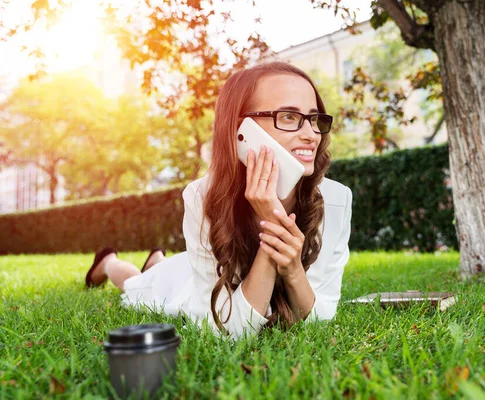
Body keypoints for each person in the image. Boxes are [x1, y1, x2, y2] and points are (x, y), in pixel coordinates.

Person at [85, 62, 353, 339]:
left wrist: (293, 268)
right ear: (242, 130)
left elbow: (320, 319)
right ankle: (108, 262)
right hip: (186, 283)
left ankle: (157, 261)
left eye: (314, 118)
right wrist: (272, 222)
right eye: (288, 116)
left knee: (159, 270)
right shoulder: (203, 197)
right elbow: (228, 331)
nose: (311, 134)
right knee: (135, 286)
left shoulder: (336, 200)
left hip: (194, 267)